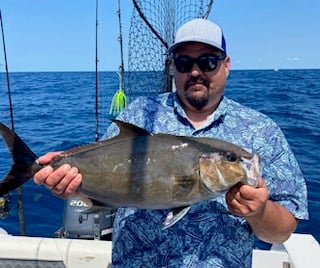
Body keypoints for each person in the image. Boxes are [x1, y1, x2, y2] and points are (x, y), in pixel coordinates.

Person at [34, 18, 308, 267]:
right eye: (184, 63)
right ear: (173, 67)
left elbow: (283, 231)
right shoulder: (138, 114)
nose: (196, 72)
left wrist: (259, 211)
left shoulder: (262, 131)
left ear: (226, 65)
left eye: (208, 62)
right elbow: (104, 187)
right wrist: (69, 185)